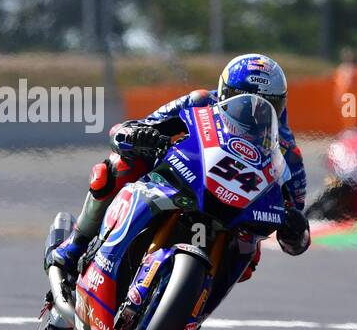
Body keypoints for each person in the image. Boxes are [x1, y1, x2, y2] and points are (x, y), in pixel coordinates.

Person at [46, 53, 311, 273]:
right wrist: (138, 136)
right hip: (183, 181)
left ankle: (192, 311)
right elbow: (137, 127)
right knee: (117, 167)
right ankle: (76, 243)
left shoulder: (288, 150)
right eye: (241, 99)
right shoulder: (199, 102)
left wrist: (294, 225)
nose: (251, 112)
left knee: (250, 254)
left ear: (280, 106)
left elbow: (295, 219)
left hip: (235, 215)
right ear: (223, 92)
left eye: (266, 104)